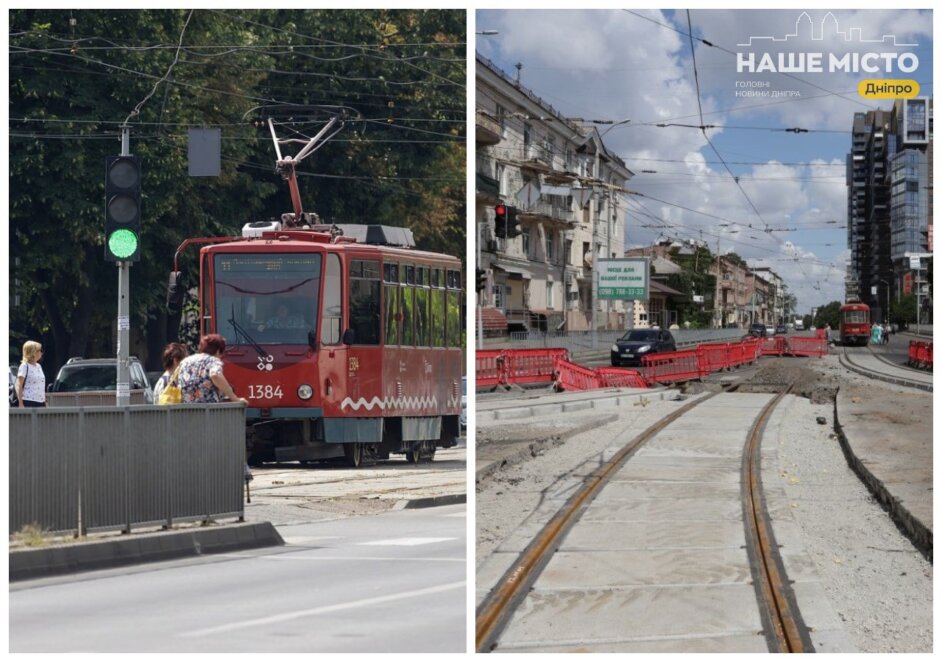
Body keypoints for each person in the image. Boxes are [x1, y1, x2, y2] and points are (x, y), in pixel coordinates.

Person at [176, 334, 253, 481]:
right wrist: (234, 398)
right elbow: (215, 375)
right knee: (218, 446)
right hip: (209, 413)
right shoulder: (214, 361)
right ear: (219, 350)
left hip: (186, 413)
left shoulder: (186, 361)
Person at [15, 340, 46, 408]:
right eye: (40, 350)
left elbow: (40, 385)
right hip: (28, 401)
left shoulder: (39, 366)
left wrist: (45, 402)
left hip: (41, 402)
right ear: (33, 352)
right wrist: (20, 403)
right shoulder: (24, 366)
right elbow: (18, 385)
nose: (41, 353)